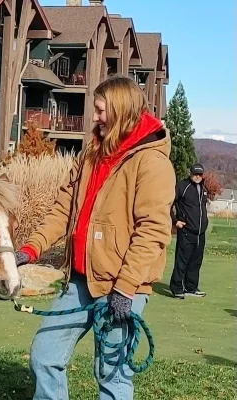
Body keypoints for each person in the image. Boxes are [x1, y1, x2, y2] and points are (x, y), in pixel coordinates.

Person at [14, 75, 175, 400]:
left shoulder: (153, 163)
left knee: (112, 376)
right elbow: (64, 209)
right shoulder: (91, 154)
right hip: (78, 281)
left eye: (101, 110)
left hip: (121, 287)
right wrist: (31, 248)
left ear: (120, 112)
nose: (95, 117)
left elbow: (152, 232)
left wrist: (126, 288)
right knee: (44, 356)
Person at [169, 163, 208, 298]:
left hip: (200, 233)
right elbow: (168, 204)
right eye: (195, 174)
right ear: (190, 173)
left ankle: (191, 288)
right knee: (182, 260)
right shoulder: (182, 186)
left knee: (195, 261)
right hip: (186, 231)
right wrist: (175, 221)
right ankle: (177, 288)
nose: (197, 176)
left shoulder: (203, 187)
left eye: (200, 174)